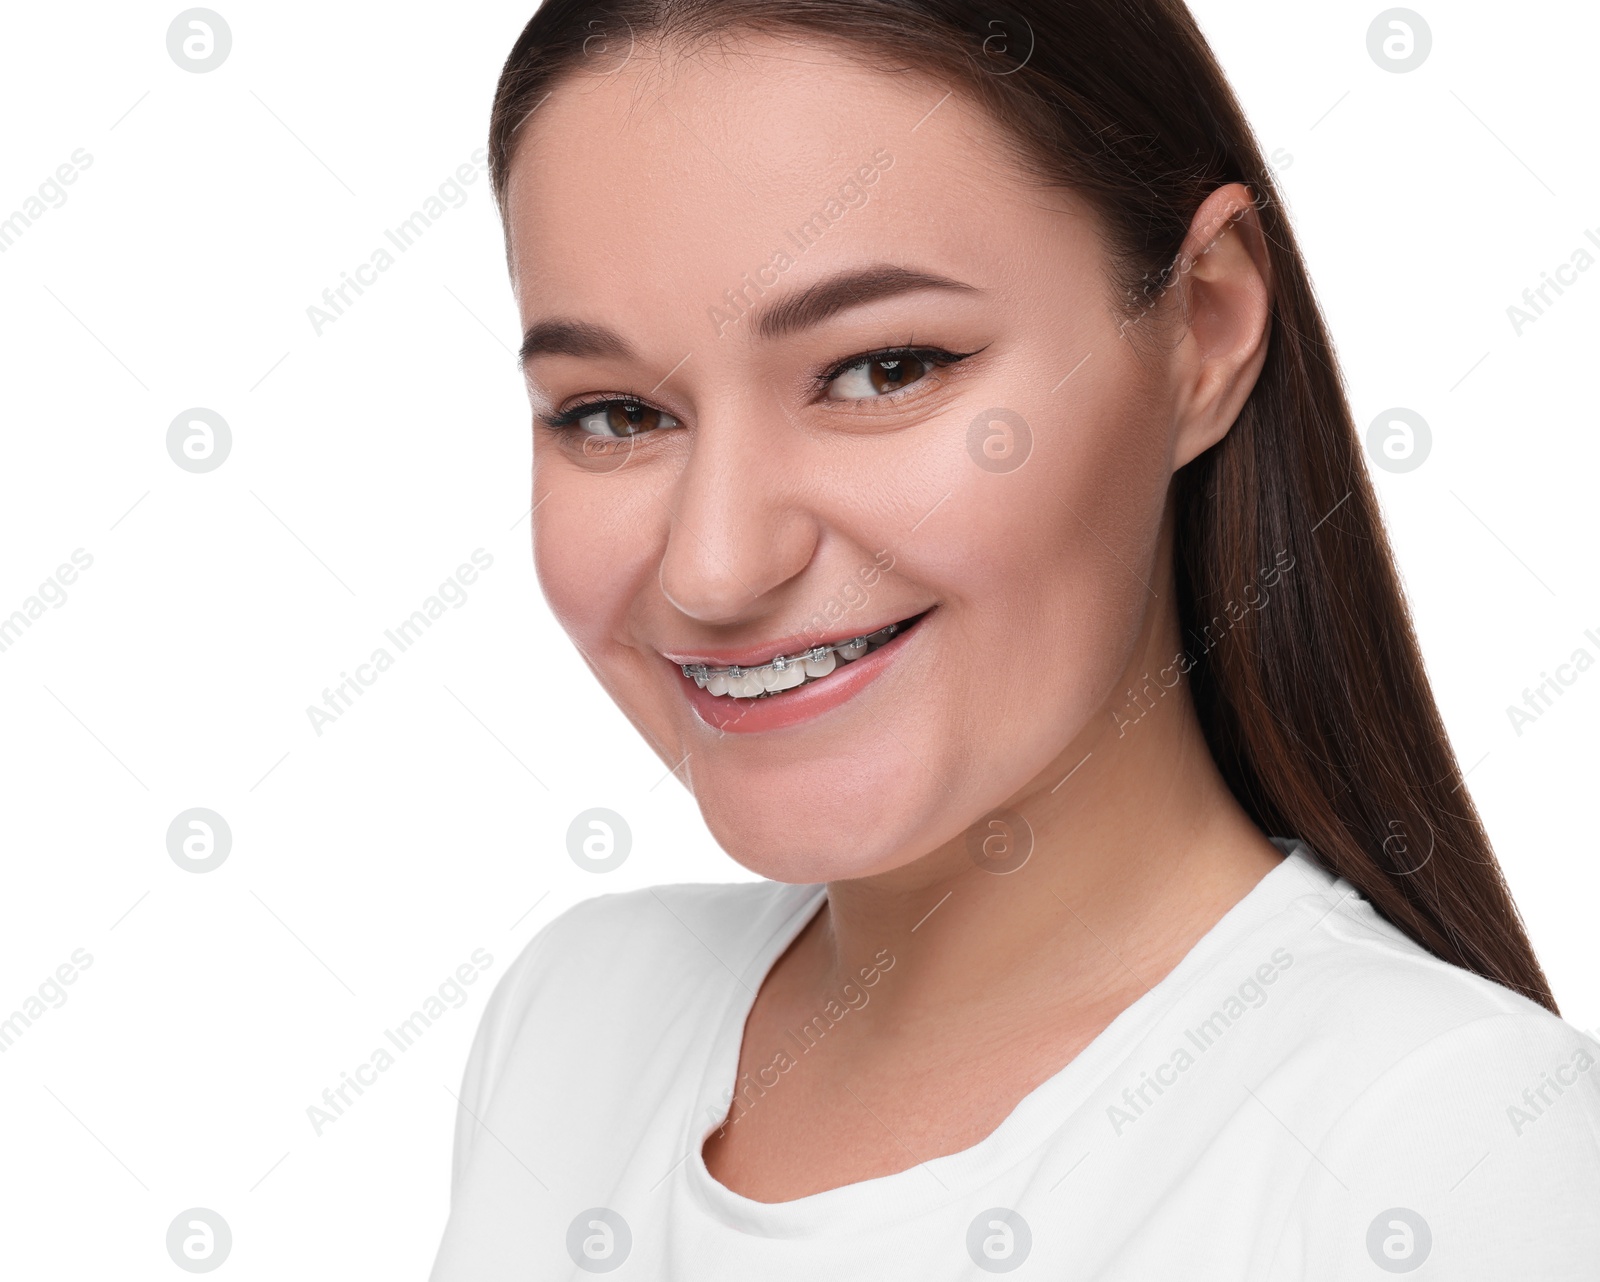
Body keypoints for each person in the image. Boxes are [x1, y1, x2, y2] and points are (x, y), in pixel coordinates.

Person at [430, 2, 1600, 1276]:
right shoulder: (575, 1021)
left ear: (1201, 328)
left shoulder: (1443, 1143)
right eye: (610, 414)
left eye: (883, 369)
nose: (714, 565)